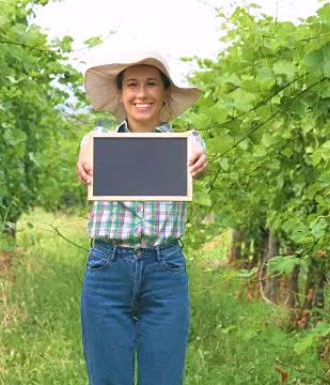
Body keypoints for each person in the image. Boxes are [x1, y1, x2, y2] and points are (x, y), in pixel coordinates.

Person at [76, 52, 207, 385]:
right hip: (107, 268)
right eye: (132, 85)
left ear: (164, 93)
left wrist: (194, 151)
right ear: (121, 94)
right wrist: (87, 148)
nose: (142, 93)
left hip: (165, 270)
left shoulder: (187, 143)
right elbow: (89, 148)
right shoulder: (96, 142)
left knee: (163, 378)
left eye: (151, 84)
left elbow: (195, 148)